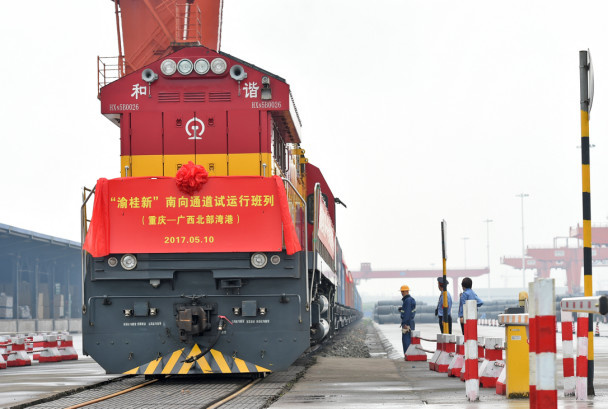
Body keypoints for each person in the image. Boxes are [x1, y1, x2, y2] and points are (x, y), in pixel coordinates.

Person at [399, 284, 416, 360]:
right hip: (410, 322)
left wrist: (405, 323)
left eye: (403, 291)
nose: (402, 293)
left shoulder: (407, 300)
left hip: (407, 323)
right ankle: (408, 355)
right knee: (408, 340)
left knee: (406, 340)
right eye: (401, 291)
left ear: (407, 291)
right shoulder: (409, 300)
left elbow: (407, 313)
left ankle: (407, 356)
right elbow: (407, 311)